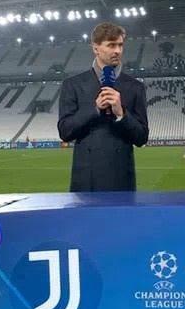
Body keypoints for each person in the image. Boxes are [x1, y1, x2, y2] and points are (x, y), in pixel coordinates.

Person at [57, 22, 149, 191]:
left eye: (120, 45)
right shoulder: (73, 85)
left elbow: (142, 137)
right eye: (111, 45)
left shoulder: (135, 87)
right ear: (95, 47)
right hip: (86, 181)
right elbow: (65, 131)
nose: (118, 51)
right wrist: (95, 108)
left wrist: (121, 114)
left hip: (121, 180)